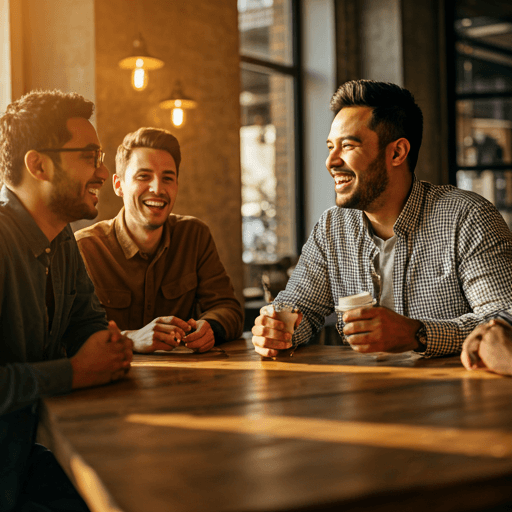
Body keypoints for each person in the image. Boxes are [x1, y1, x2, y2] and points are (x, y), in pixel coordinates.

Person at [252, 79, 512, 359]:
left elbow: (504, 319)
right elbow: (299, 309)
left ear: (397, 152)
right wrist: (277, 331)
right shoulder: (332, 227)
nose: (331, 161)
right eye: (330, 147)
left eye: (348, 146)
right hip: (363, 397)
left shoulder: (466, 217)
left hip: (457, 395)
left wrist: (417, 334)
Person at [0, 90, 133, 511]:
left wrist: (107, 348)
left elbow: (86, 322)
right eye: (90, 156)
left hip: (24, 459)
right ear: (38, 164)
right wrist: (74, 372)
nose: (104, 169)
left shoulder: (60, 238)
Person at [75, 127, 243, 354]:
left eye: (167, 178)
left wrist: (211, 327)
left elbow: (228, 308)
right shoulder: (84, 248)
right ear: (118, 185)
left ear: (176, 186)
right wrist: (131, 339)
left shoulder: (194, 235)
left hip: (185, 382)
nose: (157, 188)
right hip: (110, 382)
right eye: (143, 176)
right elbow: (70, 333)